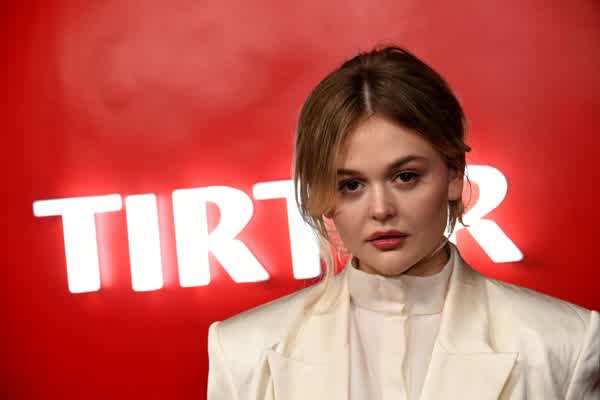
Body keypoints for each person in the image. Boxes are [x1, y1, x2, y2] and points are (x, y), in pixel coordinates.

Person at [207, 45, 599, 399]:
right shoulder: (243, 350)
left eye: (405, 176)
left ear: (454, 173)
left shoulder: (565, 342)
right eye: (351, 185)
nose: (381, 209)